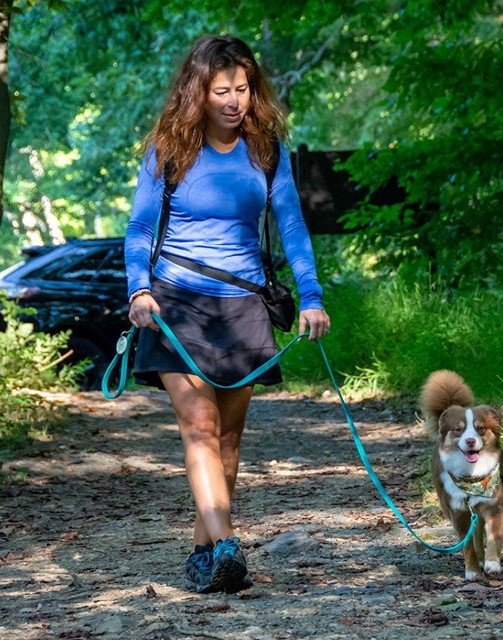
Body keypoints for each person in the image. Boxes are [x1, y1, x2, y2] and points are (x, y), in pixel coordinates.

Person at [124, 34, 330, 595]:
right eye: (222, 91)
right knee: (200, 426)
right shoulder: (168, 150)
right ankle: (228, 544)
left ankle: (204, 554)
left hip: (244, 304)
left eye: (243, 88)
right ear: (199, 92)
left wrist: (310, 297)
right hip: (178, 302)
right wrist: (138, 289)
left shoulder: (266, 152)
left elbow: (291, 226)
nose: (235, 100)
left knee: (230, 439)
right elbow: (140, 228)